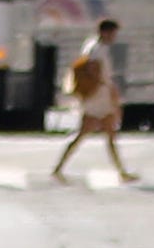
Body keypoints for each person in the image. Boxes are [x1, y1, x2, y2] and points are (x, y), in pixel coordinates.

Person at [46, 16, 131, 187]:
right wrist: (107, 87)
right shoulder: (97, 49)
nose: (114, 37)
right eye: (113, 33)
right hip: (97, 98)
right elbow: (93, 71)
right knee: (88, 133)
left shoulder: (94, 46)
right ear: (106, 32)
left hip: (99, 96)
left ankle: (121, 171)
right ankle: (58, 168)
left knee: (108, 134)